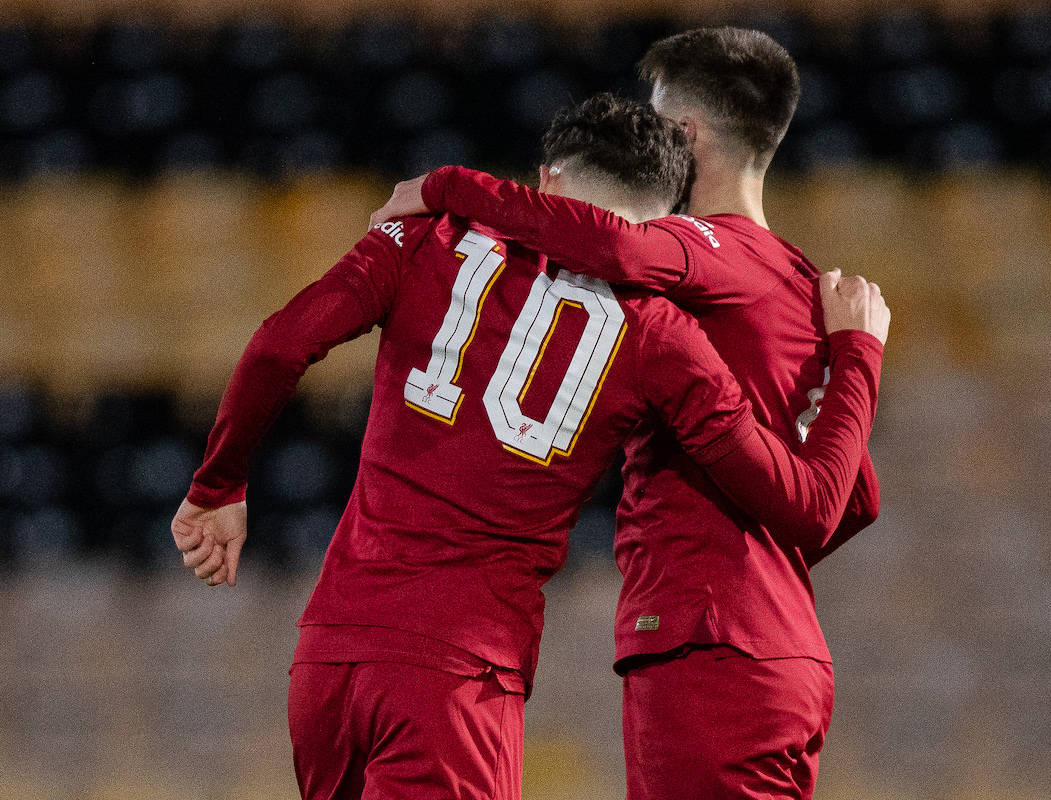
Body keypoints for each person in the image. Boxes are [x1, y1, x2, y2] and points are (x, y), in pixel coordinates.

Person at [172, 93, 889, 800]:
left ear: (547, 178)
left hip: (332, 655)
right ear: (666, 220)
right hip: (460, 676)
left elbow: (278, 346)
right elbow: (809, 503)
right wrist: (855, 353)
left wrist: (219, 486)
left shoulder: (427, 238)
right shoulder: (661, 335)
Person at [369, 26, 880, 800]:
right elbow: (853, 498)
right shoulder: (799, 283)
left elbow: (618, 248)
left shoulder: (701, 249)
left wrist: (449, 188)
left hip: (708, 646)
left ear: (687, 133)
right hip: (784, 650)